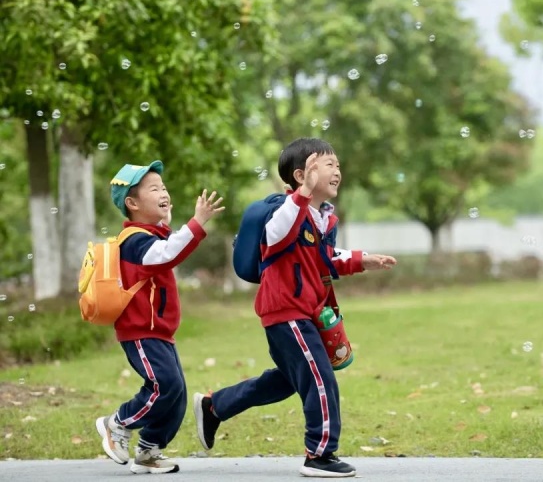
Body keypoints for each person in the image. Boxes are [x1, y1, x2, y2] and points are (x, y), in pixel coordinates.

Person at [193, 137, 397, 478]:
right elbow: (276, 233)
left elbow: (326, 260)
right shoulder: (284, 212)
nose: (337, 171)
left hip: (306, 312)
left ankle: (214, 407)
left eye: (337, 165)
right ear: (302, 175)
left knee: (289, 380)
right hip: (285, 311)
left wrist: (364, 260)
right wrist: (301, 194)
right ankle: (319, 454)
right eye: (328, 165)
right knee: (320, 377)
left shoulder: (323, 220)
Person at [95, 160, 224, 474]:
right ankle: (117, 423)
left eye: (164, 187)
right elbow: (166, 254)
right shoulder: (134, 241)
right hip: (139, 330)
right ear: (133, 203)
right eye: (154, 189)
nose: (164, 192)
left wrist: (170, 222)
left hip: (159, 331)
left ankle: (149, 448)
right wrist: (196, 223)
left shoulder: (151, 236)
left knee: (177, 392)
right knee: (164, 384)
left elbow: (166, 245)